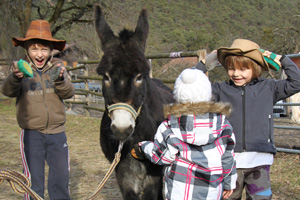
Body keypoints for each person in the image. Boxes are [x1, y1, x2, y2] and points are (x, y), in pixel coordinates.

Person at [195, 39, 300, 200]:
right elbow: (191, 87)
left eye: (243, 69)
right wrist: (204, 64)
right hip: (229, 164)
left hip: (259, 162)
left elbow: (296, 82)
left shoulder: (270, 88)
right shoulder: (220, 90)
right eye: (231, 68)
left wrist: (283, 59)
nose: (236, 74)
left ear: (256, 68)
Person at [131, 68, 237, 200]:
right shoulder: (223, 125)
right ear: (207, 93)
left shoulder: (169, 126)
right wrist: (229, 183)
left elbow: (162, 156)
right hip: (212, 192)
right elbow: (228, 158)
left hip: (180, 192)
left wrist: (144, 146)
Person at [2, 20, 74, 200]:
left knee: (60, 180)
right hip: (32, 135)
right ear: (27, 50)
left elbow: (69, 93)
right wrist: (14, 78)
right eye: (34, 49)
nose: (39, 54)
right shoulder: (21, 72)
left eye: (44, 49)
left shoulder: (57, 70)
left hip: (58, 134)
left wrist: (60, 80)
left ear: (51, 50)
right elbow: (7, 91)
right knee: (35, 183)